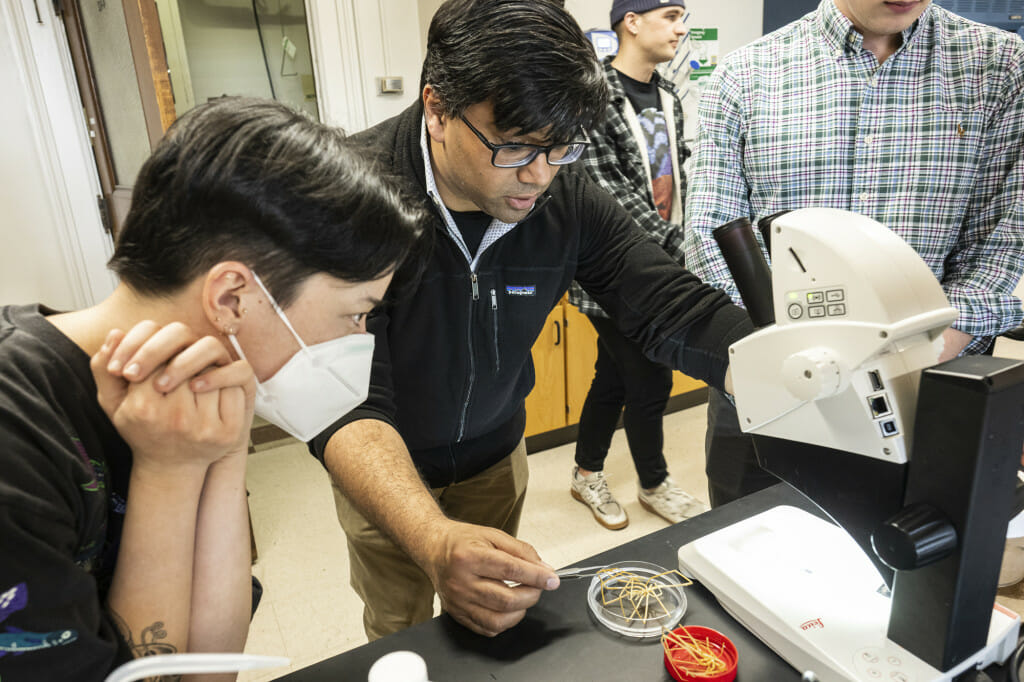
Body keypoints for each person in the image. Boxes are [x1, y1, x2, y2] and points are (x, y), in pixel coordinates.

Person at [310, 0, 754, 641]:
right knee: (398, 625)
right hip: (382, 466)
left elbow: (664, 301)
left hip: (496, 453)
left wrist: (782, 368)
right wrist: (432, 538)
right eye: (515, 147)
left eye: (559, 149)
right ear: (437, 108)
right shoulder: (350, 197)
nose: (539, 176)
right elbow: (342, 398)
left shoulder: (561, 192)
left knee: (483, 616)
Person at [0, 97, 424, 680]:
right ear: (232, 299)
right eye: (355, 314)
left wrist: (225, 450)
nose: (360, 338)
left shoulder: (205, 397)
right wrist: (167, 474)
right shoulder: (19, 432)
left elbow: (211, 668)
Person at [683, 0, 1024, 508]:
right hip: (771, 386)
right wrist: (785, 356)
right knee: (747, 548)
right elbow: (711, 234)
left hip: (930, 388)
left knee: (907, 572)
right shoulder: (746, 73)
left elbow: (1009, 239)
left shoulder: (1000, 67)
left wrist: (912, 354)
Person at [566, 0, 706, 530]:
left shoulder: (666, 96)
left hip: (662, 261)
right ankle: (655, 483)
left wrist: (691, 235)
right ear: (632, 21)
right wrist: (684, 251)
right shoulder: (592, 98)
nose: (681, 27)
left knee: (615, 378)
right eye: (670, 15)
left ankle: (585, 473)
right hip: (612, 269)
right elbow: (612, 196)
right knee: (649, 379)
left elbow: (673, 183)